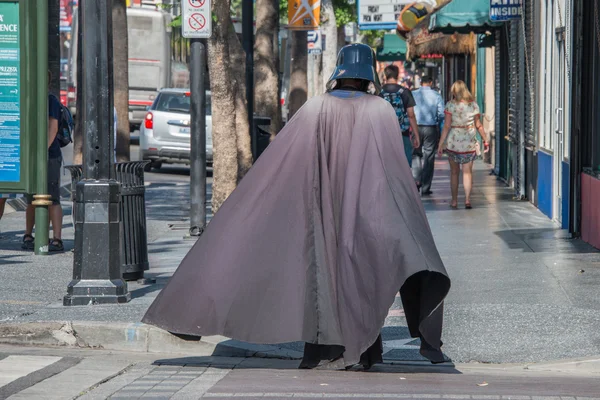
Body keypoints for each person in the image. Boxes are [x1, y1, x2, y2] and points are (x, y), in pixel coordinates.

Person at [142, 44, 450, 371]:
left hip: (321, 210)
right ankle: (362, 352)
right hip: (367, 211)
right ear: (368, 76)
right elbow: (394, 168)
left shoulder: (316, 107)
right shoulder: (380, 110)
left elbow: (287, 155)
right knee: (363, 277)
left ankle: (326, 351)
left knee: (325, 278)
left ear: (339, 72)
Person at [22, 71, 64, 252]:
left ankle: (57, 238)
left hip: (50, 156)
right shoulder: (29, 99)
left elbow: (53, 128)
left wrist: (43, 151)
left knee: (53, 197)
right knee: (31, 197)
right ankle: (28, 234)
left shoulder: (51, 101)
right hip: (33, 155)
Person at [438, 80, 490, 209]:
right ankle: (467, 200)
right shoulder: (473, 106)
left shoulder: (450, 105)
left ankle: (454, 201)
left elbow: (446, 126)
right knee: (467, 172)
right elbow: (479, 125)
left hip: (453, 143)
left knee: (454, 173)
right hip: (468, 142)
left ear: (454, 92)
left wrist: (440, 143)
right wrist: (485, 140)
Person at [380, 65, 420, 167]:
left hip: (384, 134)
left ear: (385, 75)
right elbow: (411, 115)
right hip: (403, 133)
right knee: (405, 165)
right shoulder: (405, 92)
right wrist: (416, 135)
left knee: (387, 166)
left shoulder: (379, 92)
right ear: (397, 75)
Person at [412, 75, 445, 195]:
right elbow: (442, 114)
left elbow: (409, 111)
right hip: (430, 128)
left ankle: (416, 180)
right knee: (429, 156)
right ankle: (425, 187)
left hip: (416, 127)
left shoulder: (414, 94)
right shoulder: (436, 95)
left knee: (416, 154)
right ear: (430, 82)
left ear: (421, 82)